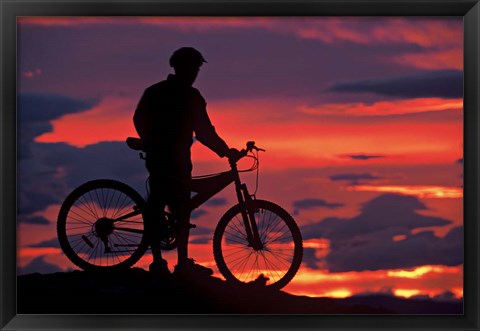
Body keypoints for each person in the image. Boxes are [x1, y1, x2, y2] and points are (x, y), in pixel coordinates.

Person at [133, 47, 239, 278]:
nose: (194, 72)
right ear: (181, 67)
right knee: (176, 207)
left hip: (164, 157)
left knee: (168, 206)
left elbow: (139, 119)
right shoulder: (190, 96)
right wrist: (226, 152)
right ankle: (174, 263)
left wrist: (149, 141)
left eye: (196, 68)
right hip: (174, 158)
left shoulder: (156, 92)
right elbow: (203, 132)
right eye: (193, 68)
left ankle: (165, 263)